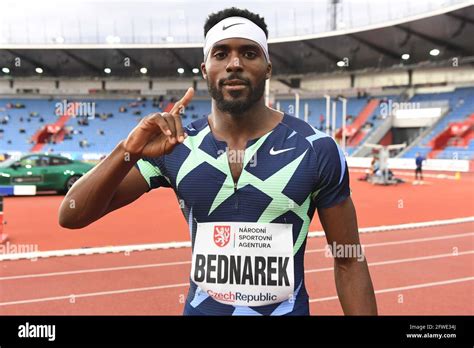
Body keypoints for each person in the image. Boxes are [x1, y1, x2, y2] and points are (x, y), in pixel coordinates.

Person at [59, 7, 377, 316]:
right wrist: (127, 149)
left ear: (268, 68)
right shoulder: (175, 144)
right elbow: (72, 215)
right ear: (205, 69)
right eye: (221, 53)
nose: (234, 64)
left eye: (249, 53)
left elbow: (348, 259)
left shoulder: (316, 148)